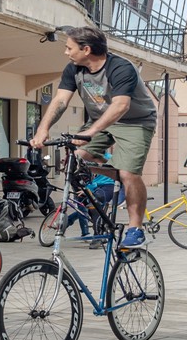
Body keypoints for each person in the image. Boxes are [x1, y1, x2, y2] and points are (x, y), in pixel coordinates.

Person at [30, 26, 159, 250]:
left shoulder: (120, 67)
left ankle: (135, 228)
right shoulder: (74, 69)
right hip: (99, 120)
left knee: (129, 173)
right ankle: (108, 190)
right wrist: (43, 128)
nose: (66, 52)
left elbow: (121, 106)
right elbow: (60, 100)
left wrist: (90, 133)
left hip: (135, 122)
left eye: (69, 48)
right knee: (76, 159)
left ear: (86, 49)